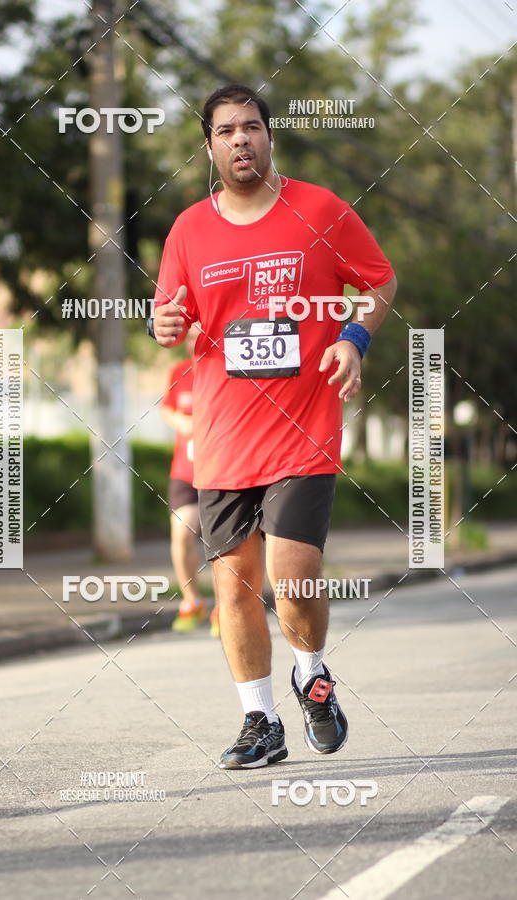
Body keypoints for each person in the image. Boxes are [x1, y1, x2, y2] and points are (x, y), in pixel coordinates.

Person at [149, 83, 397, 769]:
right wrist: (161, 321)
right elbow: (168, 314)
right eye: (225, 130)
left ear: (269, 136)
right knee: (233, 584)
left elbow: (378, 280)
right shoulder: (188, 230)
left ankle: (311, 675)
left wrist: (353, 337)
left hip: (303, 427)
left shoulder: (321, 210)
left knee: (295, 575)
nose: (240, 140)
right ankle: (260, 719)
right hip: (223, 437)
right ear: (209, 146)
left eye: (251, 127)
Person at [161, 324, 220, 637]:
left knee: (221, 541)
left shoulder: (228, 370)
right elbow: (168, 410)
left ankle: (227, 606)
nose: (197, 340)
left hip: (222, 469)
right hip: (185, 470)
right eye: (192, 335)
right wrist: (183, 422)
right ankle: (192, 601)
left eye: (203, 334)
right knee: (182, 532)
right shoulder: (179, 371)